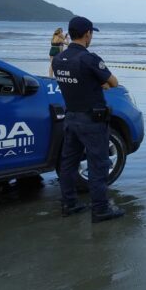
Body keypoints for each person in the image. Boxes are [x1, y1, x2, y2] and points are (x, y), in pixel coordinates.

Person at [51, 16, 125, 223]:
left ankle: (69, 203)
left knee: (68, 163)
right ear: (87, 34)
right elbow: (113, 82)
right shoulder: (89, 59)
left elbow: (70, 81)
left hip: (71, 117)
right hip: (92, 119)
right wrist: (101, 84)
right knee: (98, 163)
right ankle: (100, 209)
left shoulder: (59, 60)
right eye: (91, 33)